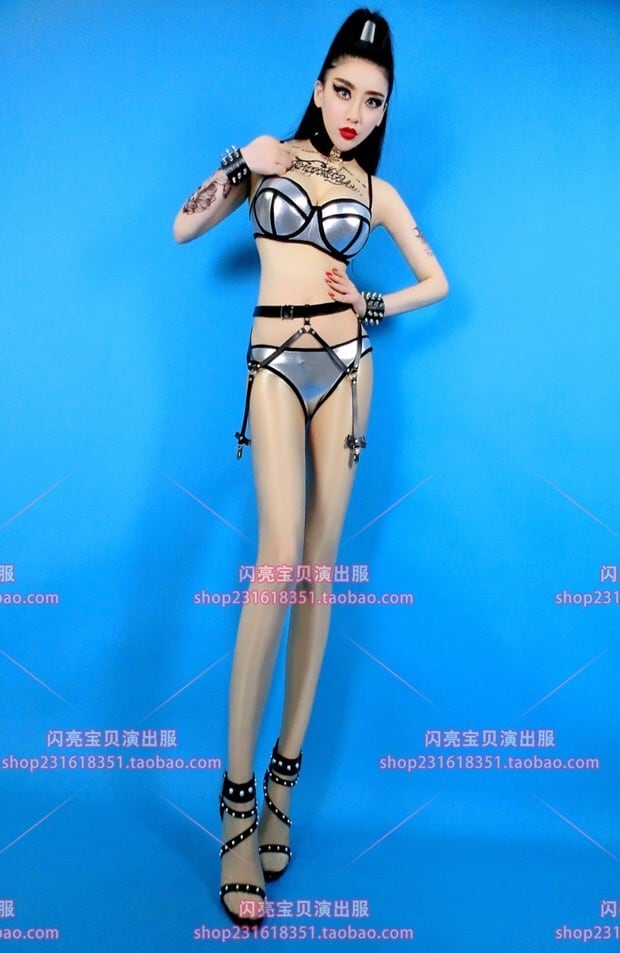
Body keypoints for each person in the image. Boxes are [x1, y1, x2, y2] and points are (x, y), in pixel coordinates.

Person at [173, 7, 448, 926]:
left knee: (320, 573)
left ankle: (283, 781)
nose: (356, 112)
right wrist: (241, 161)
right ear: (318, 85)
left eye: (374, 100)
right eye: (343, 90)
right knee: (278, 560)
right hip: (275, 360)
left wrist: (373, 305)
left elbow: (438, 280)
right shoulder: (275, 156)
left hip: (349, 366)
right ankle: (235, 803)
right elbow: (183, 227)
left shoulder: (379, 191)